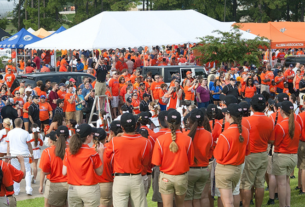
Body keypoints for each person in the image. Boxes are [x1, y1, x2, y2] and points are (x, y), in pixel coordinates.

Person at [106, 113, 150, 207]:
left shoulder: (114, 141)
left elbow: (107, 157)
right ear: (136, 125)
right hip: (136, 178)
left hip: (120, 178)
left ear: (122, 127)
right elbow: (145, 163)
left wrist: (110, 139)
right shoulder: (145, 141)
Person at [152, 109, 194, 207]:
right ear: (180, 123)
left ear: (167, 122)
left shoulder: (160, 140)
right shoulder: (188, 140)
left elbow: (156, 162)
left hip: (166, 177)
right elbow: (190, 162)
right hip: (181, 177)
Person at [240, 95, 274, 207]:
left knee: (247, 184)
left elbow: (241, 139)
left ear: (251, 107)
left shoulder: (246, 121)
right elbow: (271, 140)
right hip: (263, 154)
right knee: (259, 183)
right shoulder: (269, 120)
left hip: (250, 155)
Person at [214, 104, 250, 207]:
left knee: (228, 202)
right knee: (232, 197)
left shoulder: (225, 134)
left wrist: (218, 143)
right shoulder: (245, 131)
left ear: (229, 115)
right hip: (237, 169)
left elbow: (218, 156)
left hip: (225, 169)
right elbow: (247, 151)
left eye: (226, 114)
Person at [63, 124, 104, 207]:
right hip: (89, 189)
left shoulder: (68, 151)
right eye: (92, 134)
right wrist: (101, 153)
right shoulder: (92, 153)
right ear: (88, 136)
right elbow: (99, 172)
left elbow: (64, 172)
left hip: (73, 188)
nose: (93, 136)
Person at [270, 101, 301, 207]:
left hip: (282, 156)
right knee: (286, 182)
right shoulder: (297, 124)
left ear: (282, 111)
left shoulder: (281, 125)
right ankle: (287, 205)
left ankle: (283, 205)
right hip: (293, 156)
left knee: (282, 183)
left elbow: (276, 142)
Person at [184, 109, 212, 207]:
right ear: (203, 120)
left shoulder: (185, 135)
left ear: (190, 120)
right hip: (204, 169)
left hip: (190, 170)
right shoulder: (209, 135)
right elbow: (210, 153)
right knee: (199, 198)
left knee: (187, 199)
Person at [39, 128, 68, 207]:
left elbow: (44, 171)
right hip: (71, 183)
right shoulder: (70, 149)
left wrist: (41, 185)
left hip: (55, 183)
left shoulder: (47, 151)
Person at [6, 118, 33, 195]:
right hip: (24, 154)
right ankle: (28, 189)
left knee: (16, 172)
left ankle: (16, 190)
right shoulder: (25, 132)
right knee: (27, 171)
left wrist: (8, 154)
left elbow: (8, 145)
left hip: (14, 154)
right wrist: (31, 153)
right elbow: (29, 145)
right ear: (21, 124)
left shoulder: (10, 133)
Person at [92, 128, 113, 207]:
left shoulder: (88, 151)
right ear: (105, 139)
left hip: (92, 184)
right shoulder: (109, 151)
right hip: (106, 184)